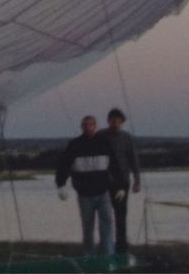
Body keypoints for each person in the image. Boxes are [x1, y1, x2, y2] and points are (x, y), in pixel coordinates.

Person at [55, 113, 118, 259]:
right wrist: (61, 184)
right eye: (85, 125)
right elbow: (63, 165)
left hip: (103, 192)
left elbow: (114, 165)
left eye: (90, 125)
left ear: (95, 126)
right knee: (88, 227)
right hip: (85, 194)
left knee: (107, 225)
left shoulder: (104, 142)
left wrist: (119, 185)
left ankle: (108, 256)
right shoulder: (75, 144)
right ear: (81, 127)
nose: (88, 127)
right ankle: (89, 256)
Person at [107, 107, 142, 261]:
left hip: (123, 183)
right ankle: (107, 248)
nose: (115, 123)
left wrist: (137, 181)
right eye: (113, 120)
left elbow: (133, 160)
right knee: (106, 216)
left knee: (121, 216)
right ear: (109, 121)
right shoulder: (101, 136)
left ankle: (122, 249)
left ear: (121, 122)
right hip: (105, 182)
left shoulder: (127, 137)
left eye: (118, 121)